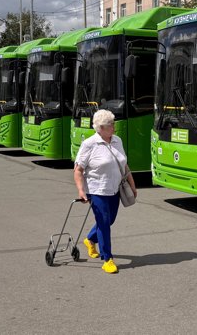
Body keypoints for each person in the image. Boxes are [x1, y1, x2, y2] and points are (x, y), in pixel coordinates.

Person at [73, 109, 137, 274]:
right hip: (97, 190)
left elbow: (124, 165)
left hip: (115, 189)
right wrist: (81, 191)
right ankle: (107, 259)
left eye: (113, 124)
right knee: (104, 222)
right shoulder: (89, 144)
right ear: (100, 127)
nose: (114, 127)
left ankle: (90, 239)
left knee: (110, 220)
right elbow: (78, 170)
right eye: (111, 125)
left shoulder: (117, 141)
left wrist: (132, 184)